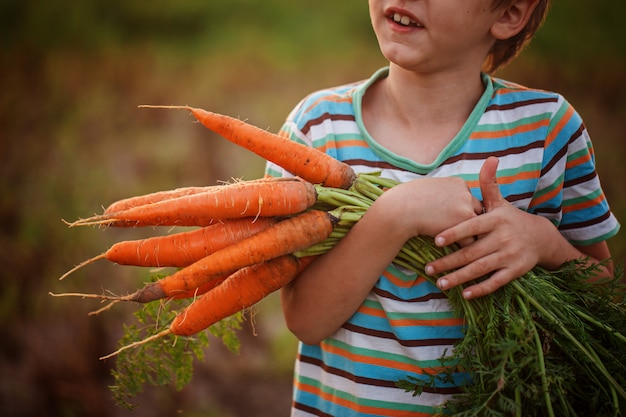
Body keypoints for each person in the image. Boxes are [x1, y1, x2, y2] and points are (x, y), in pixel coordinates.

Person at [265, 0, 621, 415]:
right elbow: (306, 320)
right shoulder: (316, 129)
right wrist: (396, 214)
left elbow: (602, 297)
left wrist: (544, 243)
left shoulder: (546, 130)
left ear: (508, 15)